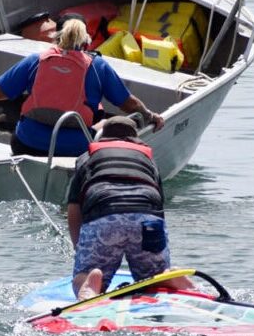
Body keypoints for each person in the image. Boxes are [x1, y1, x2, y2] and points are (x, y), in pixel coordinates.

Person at [0, 17, 164, 157]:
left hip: (29, 143)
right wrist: (151, 115)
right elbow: (128, 103)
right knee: (106, 122)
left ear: (58, 38)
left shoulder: (36, 60)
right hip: (77, 148)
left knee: (19, 118)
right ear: (86, 42)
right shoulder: (97, 66)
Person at [66, 116, 190, 301]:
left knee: (84, 274)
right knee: (152, 280)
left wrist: (80, 250)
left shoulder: (87, 158)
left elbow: (74, 209)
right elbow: (159, 207)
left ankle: (89, 284)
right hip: (147, 217)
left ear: (102, 138)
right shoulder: (148, 160)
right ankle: (167, 276)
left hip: (105, 213)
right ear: (136, 139)